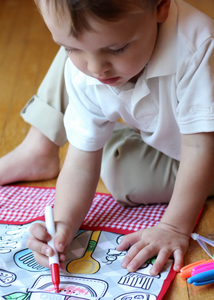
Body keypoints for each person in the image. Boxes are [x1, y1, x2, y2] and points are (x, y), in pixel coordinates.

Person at [5, 0, 214, 276]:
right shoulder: (88, 65)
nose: (95, 68)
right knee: (109, 157)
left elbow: (201, 146)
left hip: (206, 149)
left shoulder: (198, 46)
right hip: (170, 141)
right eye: (71, 48)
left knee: (125, 175)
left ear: (161, 6)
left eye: (116, 48)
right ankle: (41, 146)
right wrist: (64, 223)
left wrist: (173, 227)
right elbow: (80, 161)